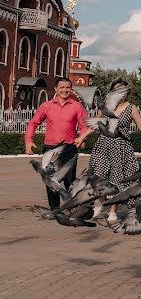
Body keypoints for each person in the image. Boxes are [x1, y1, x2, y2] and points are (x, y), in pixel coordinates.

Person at [89, 80, 141, 220]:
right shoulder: (105, 107)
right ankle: (103, 204)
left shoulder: (131, 108)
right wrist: (81, 137)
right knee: (98, 175)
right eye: (116, 90)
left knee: (118, 179)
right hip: (103, 145)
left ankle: (113, 211)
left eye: (123, 90)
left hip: (122, 148)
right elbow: (95, 125)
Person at [25, 77, 90, 208]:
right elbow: (33, 123)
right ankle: (54, 209)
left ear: (70, 89)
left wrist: (82, 138)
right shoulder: (46, 106)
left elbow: (84, 125)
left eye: (67, 87)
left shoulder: (77, 106)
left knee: (70, 181)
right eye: (62, 87)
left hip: (69, 148)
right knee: (50, 180)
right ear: (56, 89)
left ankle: (74, 208)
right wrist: (28, 141)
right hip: (50, 149)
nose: (65, 90)